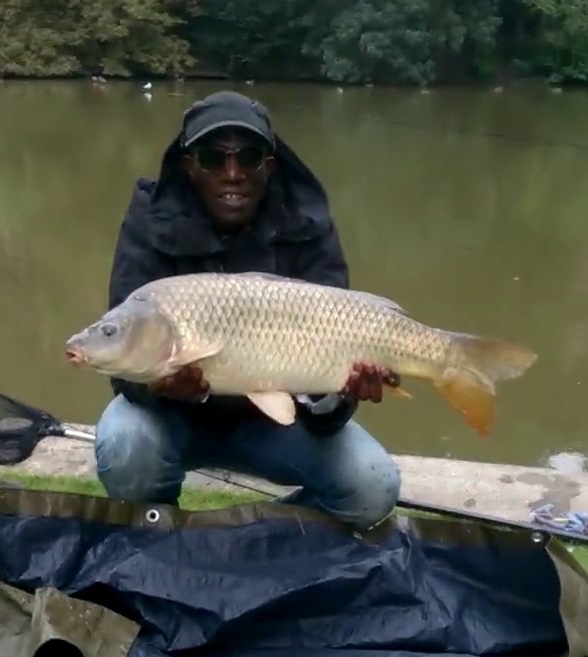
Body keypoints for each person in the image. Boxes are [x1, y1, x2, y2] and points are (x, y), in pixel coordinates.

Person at [93, 90, 402, 531]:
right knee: (125, 442)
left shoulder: (307, 222)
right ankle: (160, 534)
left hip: (276, 425)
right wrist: (162, 388)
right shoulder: (149, 219)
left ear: (269, 166)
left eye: (250, 157)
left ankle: (266, 538)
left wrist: (344, 391)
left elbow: (326, 394)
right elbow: (124, 359)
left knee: (373, 487)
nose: (232, 173)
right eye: (213, 158)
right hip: (174, 420)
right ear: (189, 166)